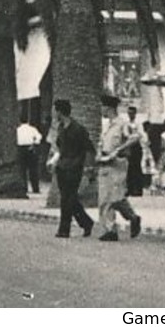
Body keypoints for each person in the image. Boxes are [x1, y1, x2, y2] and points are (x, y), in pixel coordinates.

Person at [96, 93, 142, 242]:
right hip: (105, 162)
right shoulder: (107, 126)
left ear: (108, 108)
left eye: (102, 107)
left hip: (117, 165)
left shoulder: (122, 124)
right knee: (109, 198)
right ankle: (117, 226)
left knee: (112, 198)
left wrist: (119, 150)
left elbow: (135, 137)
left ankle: (121, 224)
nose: (101, 110)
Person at [51, 98, 95, 238]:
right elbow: (59, 147)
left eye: (55, 110)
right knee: (68, 198)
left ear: (60, 111)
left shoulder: (78, 129)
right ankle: (86, 222)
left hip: (74, 167)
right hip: (62, 167)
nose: (53, 113)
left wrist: (88, 167)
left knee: (67, 199)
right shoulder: (60, 128)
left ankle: (64, 229)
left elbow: (89, 148)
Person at [16, 117, 43, 194]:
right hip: (30, 148)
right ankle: (35, 188)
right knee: (33, 169)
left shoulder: (18, 130)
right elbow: (39, 137)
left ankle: (24, 188)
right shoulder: (32, 129)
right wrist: (35, 143)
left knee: (22, 169)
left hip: (21, 148)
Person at [124, 105, 145, 197]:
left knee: (137, 167)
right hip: (129, 146)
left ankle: (138, 189)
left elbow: (140, 134)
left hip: (136, 147)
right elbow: (125, 133)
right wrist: (131, 136)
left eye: (132, 113)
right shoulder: (126, 123)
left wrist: (132, 136)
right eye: (129, 113)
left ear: (135, 114)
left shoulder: (139, 123)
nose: (130, 115)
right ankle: (130, 188)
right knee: (129, 168)